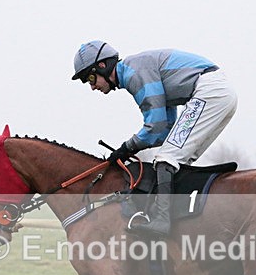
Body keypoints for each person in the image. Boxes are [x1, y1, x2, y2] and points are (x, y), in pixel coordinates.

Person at [72, 40, 238, 237]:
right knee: (176, 159)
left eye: (90, 78)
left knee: (167, 159)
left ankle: (162, 221)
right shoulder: (136, 71)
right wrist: (131, 148)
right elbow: (164, 130)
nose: (92, 87)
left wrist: (127, 147)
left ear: (102, 65)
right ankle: (186, 222)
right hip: (217, 93)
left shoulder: (134, 73)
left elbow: (156, 125)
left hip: (210, 92)